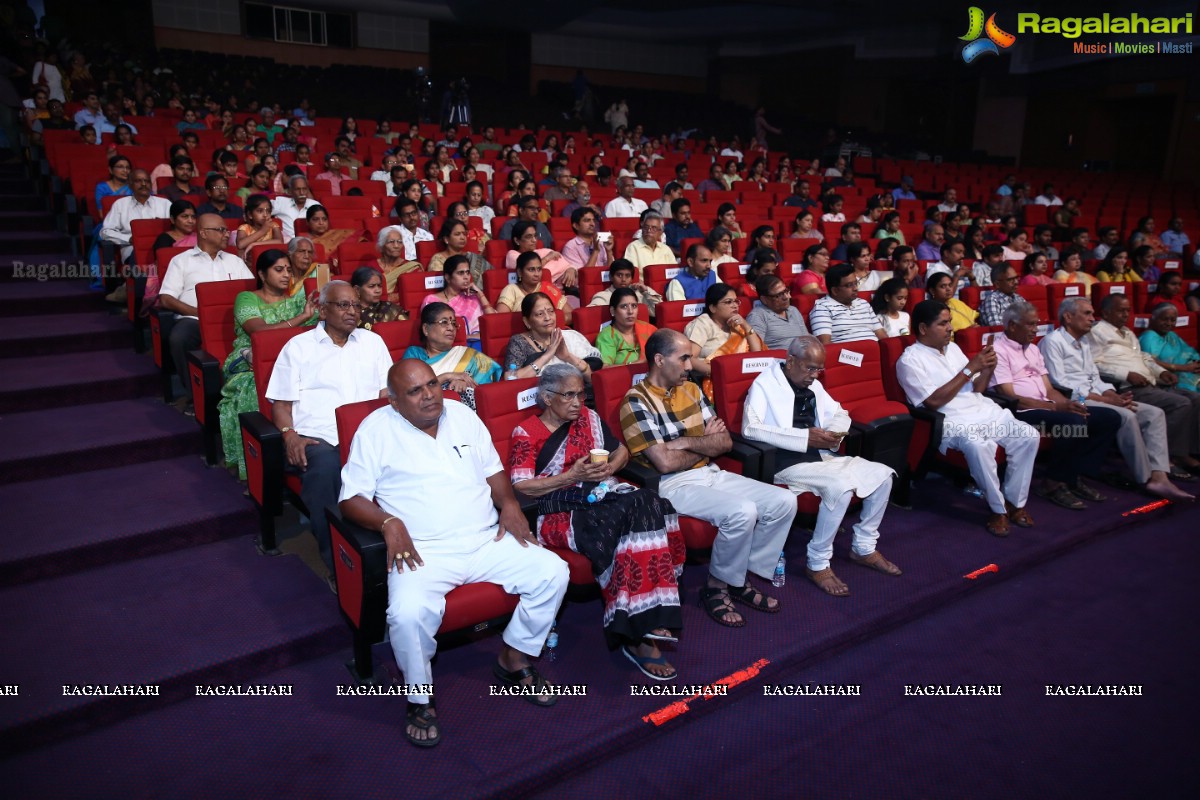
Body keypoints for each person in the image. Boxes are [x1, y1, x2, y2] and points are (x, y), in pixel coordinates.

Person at [339, 359, 570, 745]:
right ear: (394, 402)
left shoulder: (462, 414)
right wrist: (387, 523)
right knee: (407, 614)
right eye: (415, 391)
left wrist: (509, 504)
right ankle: (419, 695)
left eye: (431, 384)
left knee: (553, 572)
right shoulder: (375, 429)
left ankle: (513, 658)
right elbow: (350, 499)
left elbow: (493, 470)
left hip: (484, 538)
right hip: (423, 552)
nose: (430, 394)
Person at [509, 363, 684, 678]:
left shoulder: (589, 418)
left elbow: (620, 453)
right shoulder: (527, 432)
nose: (578, 402)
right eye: (569, 395)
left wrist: (608, 467)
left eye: (581, 394)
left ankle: (639, 620)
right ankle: (643, 627)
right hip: (562, 511)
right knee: (639, 506)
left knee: (652, 502)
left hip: (604, 495)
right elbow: (521, 486)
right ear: (547, 398)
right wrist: (570, 476)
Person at [619, 329, 797, 627]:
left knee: (784, 500)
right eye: (684, 358)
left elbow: (724, 442)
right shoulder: (635, 402)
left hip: (709, 472)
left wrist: (685, 442)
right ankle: (716, 586)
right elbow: (663, 463)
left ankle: (738, 577)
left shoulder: (691, 389)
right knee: (743, 511)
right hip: (672, 485)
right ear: (660, 360)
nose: (691, 366)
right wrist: (702, 441)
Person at [743, 336, 898, 596]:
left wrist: (834, 433)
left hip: (819, 457)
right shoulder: (765, 384)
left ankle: (864, 547)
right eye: (810, 368)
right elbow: (750, 428)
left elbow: (839, 413)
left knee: (883, 475)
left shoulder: (812, 384)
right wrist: (804, 437)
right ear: (791, 361)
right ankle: (817, 563)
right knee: (840, 487)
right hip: (784, 463)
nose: (815, 375)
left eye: (819, 369)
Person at [898, 300, 1040, 536]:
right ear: (923, 328)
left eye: (950, 322)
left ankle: (1015, 503)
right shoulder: (909, 360)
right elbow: (932, 402)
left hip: (982, 410)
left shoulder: (953, 349)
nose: (950, 328)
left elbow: (977, 389)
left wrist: (987, 368)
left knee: (1029, 436)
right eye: (943, 324)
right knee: (979, 445)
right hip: (952, 421)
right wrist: (970, 369)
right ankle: (998, 509)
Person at [1039, 297, 1194, 501]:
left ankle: (1160, 475)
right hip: (1076, 399)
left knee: (1154, 414)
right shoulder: (1053, 342)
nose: (1092, 319)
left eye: (1092, 314)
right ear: (1068, 317)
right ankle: (1146, 479)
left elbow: (1095, 377)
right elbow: (1061, 385)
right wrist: (1105, 400)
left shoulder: (1083, 341)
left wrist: (1112, 394)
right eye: (1087, 314)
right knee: (1126, 416)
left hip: (1097, 395)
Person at [988, 299, 1121, 509]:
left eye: (1036, 324)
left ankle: (1072, 476)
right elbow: (1012, 398)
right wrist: (1057, 408)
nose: (1035, 329)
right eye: (1030, 324)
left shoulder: (1032, 348)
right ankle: (1052, 483)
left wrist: (1069, 403)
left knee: (1109, 418)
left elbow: (1049, 389)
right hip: (1019, 413)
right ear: (1012, 325)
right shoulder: (998, 351)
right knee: (1073, 424)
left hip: (1045, 405)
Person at [217, 249, 318, 478]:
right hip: (249, 361)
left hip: (290, 362)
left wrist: (315, 315)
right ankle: (259, 468)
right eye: (279, 270)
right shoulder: (247, 298)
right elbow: (259, 332)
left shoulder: (296, 302)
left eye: (289, 271)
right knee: (256, 388)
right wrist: (302, 318)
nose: (286, 275)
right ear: (262, 274)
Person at [1090, 294, 1200, 474]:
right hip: (1127, 386)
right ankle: (1169, 457)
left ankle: (1190, 450)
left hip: (1150, 382)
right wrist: (1126, 374)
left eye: (1128, 310)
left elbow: (1144, 357)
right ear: (1106, 312)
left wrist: (1161, 371)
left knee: (1195, 398)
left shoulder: (1128, 332)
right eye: (1121, 310)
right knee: (1181, 403)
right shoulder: (1096, 331)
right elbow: (1093, 364)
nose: (1126, 314)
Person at [159, 214, 256, 409]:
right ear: (203, 233)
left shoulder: (234, 262)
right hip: (194, 319)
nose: (226, 235)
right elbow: (166, 298)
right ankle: (196, 397)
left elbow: (252, 293)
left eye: (227, 230)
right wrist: (200, 313)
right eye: (221, 230)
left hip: (233, 320)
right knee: (179, 338)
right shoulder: (181, 261)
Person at [403, 301, 501, 409]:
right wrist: (447, 376)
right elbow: (411, 390)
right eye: (444, 322)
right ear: (426, 329)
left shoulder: (467, 356)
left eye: (454, 324)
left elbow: (486, 392)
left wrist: (465, 384)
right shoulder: (414, 354)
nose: (451, 328)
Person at [685, 283, 766, 400]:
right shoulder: (703, 324)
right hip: (713, 382)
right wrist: (718, 373)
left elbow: (757, 354)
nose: (735, 306)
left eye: (736, 301)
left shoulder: (736, 324)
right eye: (728, 302)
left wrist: (746, 325)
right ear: (713, 307)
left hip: (741, 379)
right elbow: (689, 358)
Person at [504, 292, 601, 380]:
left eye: (550, 311)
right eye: (540, 314)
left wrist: (568, 357)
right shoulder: (519, 342)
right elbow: (510, 379)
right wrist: (547, 355)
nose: (548, 318)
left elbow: (590, 378)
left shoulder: (569, 336)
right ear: (527, 321)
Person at [421, 254, 497, 343]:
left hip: (480, 344)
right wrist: (467, 337)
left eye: (468, 272)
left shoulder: (473, 298)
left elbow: (494, 322)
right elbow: (431, 333)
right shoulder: (431, 301)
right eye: (460, 273)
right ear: (448, 277)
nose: (466, 277)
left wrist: (480, 294)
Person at [810, 264, 887, 344]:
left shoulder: (864, 303)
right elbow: (826, 345)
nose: (855, 288)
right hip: (847, 354)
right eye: (849, 285)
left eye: (856, 283)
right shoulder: (822, 308)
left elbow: (881, 335)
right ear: (835, 291)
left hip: (874, 351)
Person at [497, 252, 572, 322]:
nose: (537, 274)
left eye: (539, 269)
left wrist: (549, 321)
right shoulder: (511, 289)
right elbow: (501, 320)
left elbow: (571, 315)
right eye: (531, 270)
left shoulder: (548, 288)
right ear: (520, 272)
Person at [1141, 303, 1200, 394]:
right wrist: (1183, 368)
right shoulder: (1148, 337)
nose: (1169, 323)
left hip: (1190, 371)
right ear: (1153, 319)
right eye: (1165, 319)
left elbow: (1188, 351)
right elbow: (1150, 362)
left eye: (1173, 320)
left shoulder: (1171, 334)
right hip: (1171, 379)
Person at [595, 288, 658, 366]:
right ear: (612, 311)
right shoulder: (607, 336)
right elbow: (605, 370)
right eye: (624, 307)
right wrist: (635, 365)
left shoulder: (648, 329)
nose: (630, 311)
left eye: (634, 306)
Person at [747, 275, 809, 348]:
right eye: (778, 295)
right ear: (764, 299)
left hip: (803, 355)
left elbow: (806, 339)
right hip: (780, 358)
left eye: (786, 291)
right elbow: (756, 350)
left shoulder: (793, 310)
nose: (786, 297)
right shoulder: (758, 316)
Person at [428, 218, 490, 289]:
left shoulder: (471, 256)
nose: (462, 237)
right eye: (457, 234)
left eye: (464, 234)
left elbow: (491, 277)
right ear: (446, 239)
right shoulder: (438, 260)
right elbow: (440, 285)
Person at [587, 258, 663, 316]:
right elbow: (589, 315)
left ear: (632, 278)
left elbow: (658, 312)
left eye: (627, 276)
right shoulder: (603, 296)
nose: (623, 279)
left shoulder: (640, 293)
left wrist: (646, 292)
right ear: (611, 277)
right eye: (619, 275)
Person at [234, 193, 284, 263]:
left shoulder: (273, 226)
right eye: (260, 211)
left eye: (268, 211)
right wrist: (262, 231)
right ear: (250, 215)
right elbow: (240, 244)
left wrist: (253, 244)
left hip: (270, 261)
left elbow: (280, 242)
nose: (265, 215)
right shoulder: (244, 228)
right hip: (250, 261)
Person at [560, 207, 611, 274]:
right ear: (576, 226)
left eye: (593, 220)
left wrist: (609, 251)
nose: (592, 224)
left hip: (605, 282)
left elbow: (612, 272)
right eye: (587, 220)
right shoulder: (570, 247)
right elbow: (584, 276)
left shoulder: (601, 242)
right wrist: (595, 251)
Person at [271, 175, 319, 241]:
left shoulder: (315, 205)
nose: (302, 193)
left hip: (310, 243)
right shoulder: (280, 203)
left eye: (304, 189)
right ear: (290, 191)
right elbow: (259, 208)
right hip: (287, 245)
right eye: (297, 189)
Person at [979, 263, 1020, 327]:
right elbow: (997, 328)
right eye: (1010, 280)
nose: (1016, 282)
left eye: (1016, 278)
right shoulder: (992, 300)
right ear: (997, 284)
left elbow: (1034, 321)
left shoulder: (1018, 297)